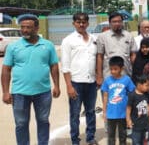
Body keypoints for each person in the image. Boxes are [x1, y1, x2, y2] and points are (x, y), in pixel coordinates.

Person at [1, 15, 60, 145]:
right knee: (21, 123)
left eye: (28, 27)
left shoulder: (48, 45)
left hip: (43, 92)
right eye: (22, 27)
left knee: (43, 121)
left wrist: (57, 85)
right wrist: (5, 92)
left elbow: (53, 66)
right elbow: (6, 70)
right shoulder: (13, 47)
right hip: (19, 93)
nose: (25, 30)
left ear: (37, 28)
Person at [61, 13, 98, 145]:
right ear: (74, 23)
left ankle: (90, 137)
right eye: (78, 22)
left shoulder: (94, 39)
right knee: (75, 113)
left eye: (84, 22)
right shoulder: (68, 40)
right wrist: (69, 86)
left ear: (88, 23)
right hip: (76, 83)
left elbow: (97, 60)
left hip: (91, 82)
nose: (81, 24)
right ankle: (75, 139)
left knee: (91, 111)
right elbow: (65, 66)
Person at [101, 56, 136, 145]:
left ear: (122, 68)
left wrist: (131, 110)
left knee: (123, 135)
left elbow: (132, 93)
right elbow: (105, 96)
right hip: (111, 114)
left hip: (123, 113)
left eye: (115, 69)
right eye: (111, 69)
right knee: (111, 136)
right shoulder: (107, 80)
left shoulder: (127, 79)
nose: (113, 71)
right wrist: (104, 112)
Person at [96, 12, 137, 85]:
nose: (117, 24)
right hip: (108, 76)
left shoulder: (129, 36)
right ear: (109, 23)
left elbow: (133, 55)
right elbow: (99, 57)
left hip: (126, 75)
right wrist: (99, 76)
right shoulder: (102, 37)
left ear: (122, 22)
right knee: (108, 96)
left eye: (119, 21)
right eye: (114, 22)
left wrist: (136, 72)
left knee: (125, 96)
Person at [127, 74, 149, 145]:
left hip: (145, 124)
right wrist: (128, 120)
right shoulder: (132, 95)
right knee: (136, 142)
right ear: (139, 84)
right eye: (146, 85)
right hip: (136, 125)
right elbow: (128, 108)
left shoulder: (146, 94)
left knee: (144, 141)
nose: (148, 87)